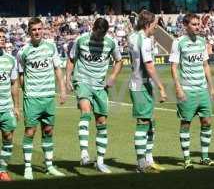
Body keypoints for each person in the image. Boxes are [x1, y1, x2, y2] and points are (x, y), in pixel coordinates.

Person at [66, 18, 123, 173]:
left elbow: (119, 61)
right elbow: (71, 59)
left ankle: (100, 161)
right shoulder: (81, 40)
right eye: (97, 34)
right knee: (85, 110)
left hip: (100, 85)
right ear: (93, 28)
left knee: (101, 121)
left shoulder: (110, 42)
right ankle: (84, 153)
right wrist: (67, 78)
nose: (99, 37)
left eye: (102, 35)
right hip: (83, 80)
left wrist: (113, 77)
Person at [17, 18, 66, 180]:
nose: (37, 32)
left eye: (39, 29)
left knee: (48, 130)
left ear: (43, 29)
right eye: (34, 30)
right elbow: (21, 75)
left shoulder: (51, 47)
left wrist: (62, 89)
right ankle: (28, 167)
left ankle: (49, 166)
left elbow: (58, 69)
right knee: (30, 131)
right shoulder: (23, 51)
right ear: (29, 32)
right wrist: (27, 91)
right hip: (32, 98)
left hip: (48, 97)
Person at [170, 13, 214, 169]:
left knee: (207, 121)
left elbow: (205, 66)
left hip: (202, 89)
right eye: (194, 24)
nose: (198, 27)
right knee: (186, 124)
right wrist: (178, 87)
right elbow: (174, 67)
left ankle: (204, 157)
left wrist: (211, 87)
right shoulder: (178, 42)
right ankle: (187, 159)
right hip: (187, 90)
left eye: (199, 24)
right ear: (186, 25)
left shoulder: (202, 42)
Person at [128, 10, 167, 173]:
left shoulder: (132, 37)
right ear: (147, 24)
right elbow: (149, 66)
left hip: (139, 83)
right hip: (141, 85)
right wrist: (161, 86)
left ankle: (148, 159)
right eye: (154, 26)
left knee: (150, 121)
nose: (156, 29)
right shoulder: (144, 41)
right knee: (143, 122)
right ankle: (141, 163)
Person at [0, 28, 20, 181]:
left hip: (6, 107)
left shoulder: (10, 59)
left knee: (8, 137)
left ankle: (2, 169)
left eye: (2, 37)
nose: (1, 39)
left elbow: (14, 84)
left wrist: (16, 106)